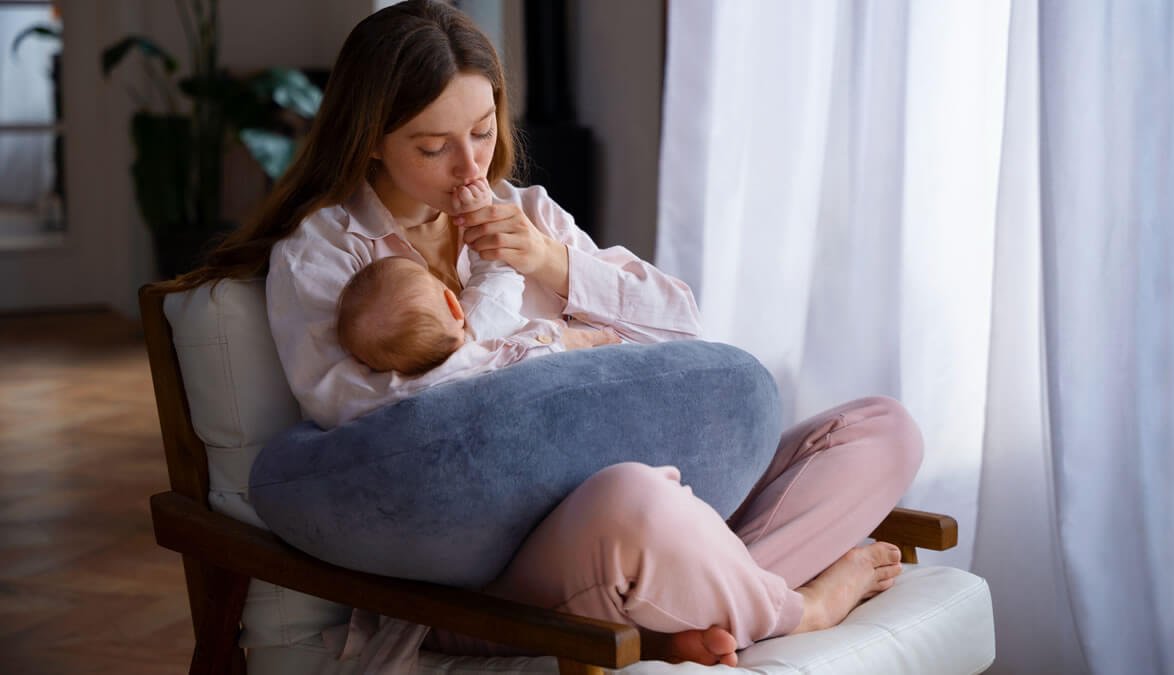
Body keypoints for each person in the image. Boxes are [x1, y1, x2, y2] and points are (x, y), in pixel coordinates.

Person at [168, 0, 922, 668]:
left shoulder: (526, 211)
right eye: (433, 147)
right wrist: (553, 343)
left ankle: (694, 599)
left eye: (483, 130)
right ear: (369, 140)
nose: (470, 165)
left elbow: (684, 328)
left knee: (881, 430)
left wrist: (550, 262)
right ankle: (797, 606)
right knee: (636, 502)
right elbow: (377, 422)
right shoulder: (324, 255)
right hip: (496, 569)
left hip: (653, 506)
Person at [336, 179, 618, 378]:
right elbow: (496, 267)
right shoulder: (484, 312)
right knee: (605, 344)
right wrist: (477, 212)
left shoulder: (430, 382)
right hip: (565, 359)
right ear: (453, 302)